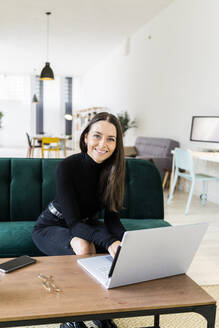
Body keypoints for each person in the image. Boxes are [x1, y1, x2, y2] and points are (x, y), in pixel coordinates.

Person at [32, 112, 126, 328]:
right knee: (85, 247)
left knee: (109, 245)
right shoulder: (68, 166)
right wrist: (110, 241)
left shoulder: (114, 170)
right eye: (97, 136)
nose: (103, 144)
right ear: (85, 138)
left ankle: (99, 311)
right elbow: (74, 224)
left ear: (117, 144)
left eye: (111, 139)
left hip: (84, 223)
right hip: (52, 225)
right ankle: (70, 317)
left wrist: (125, 243)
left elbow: (112, 220)